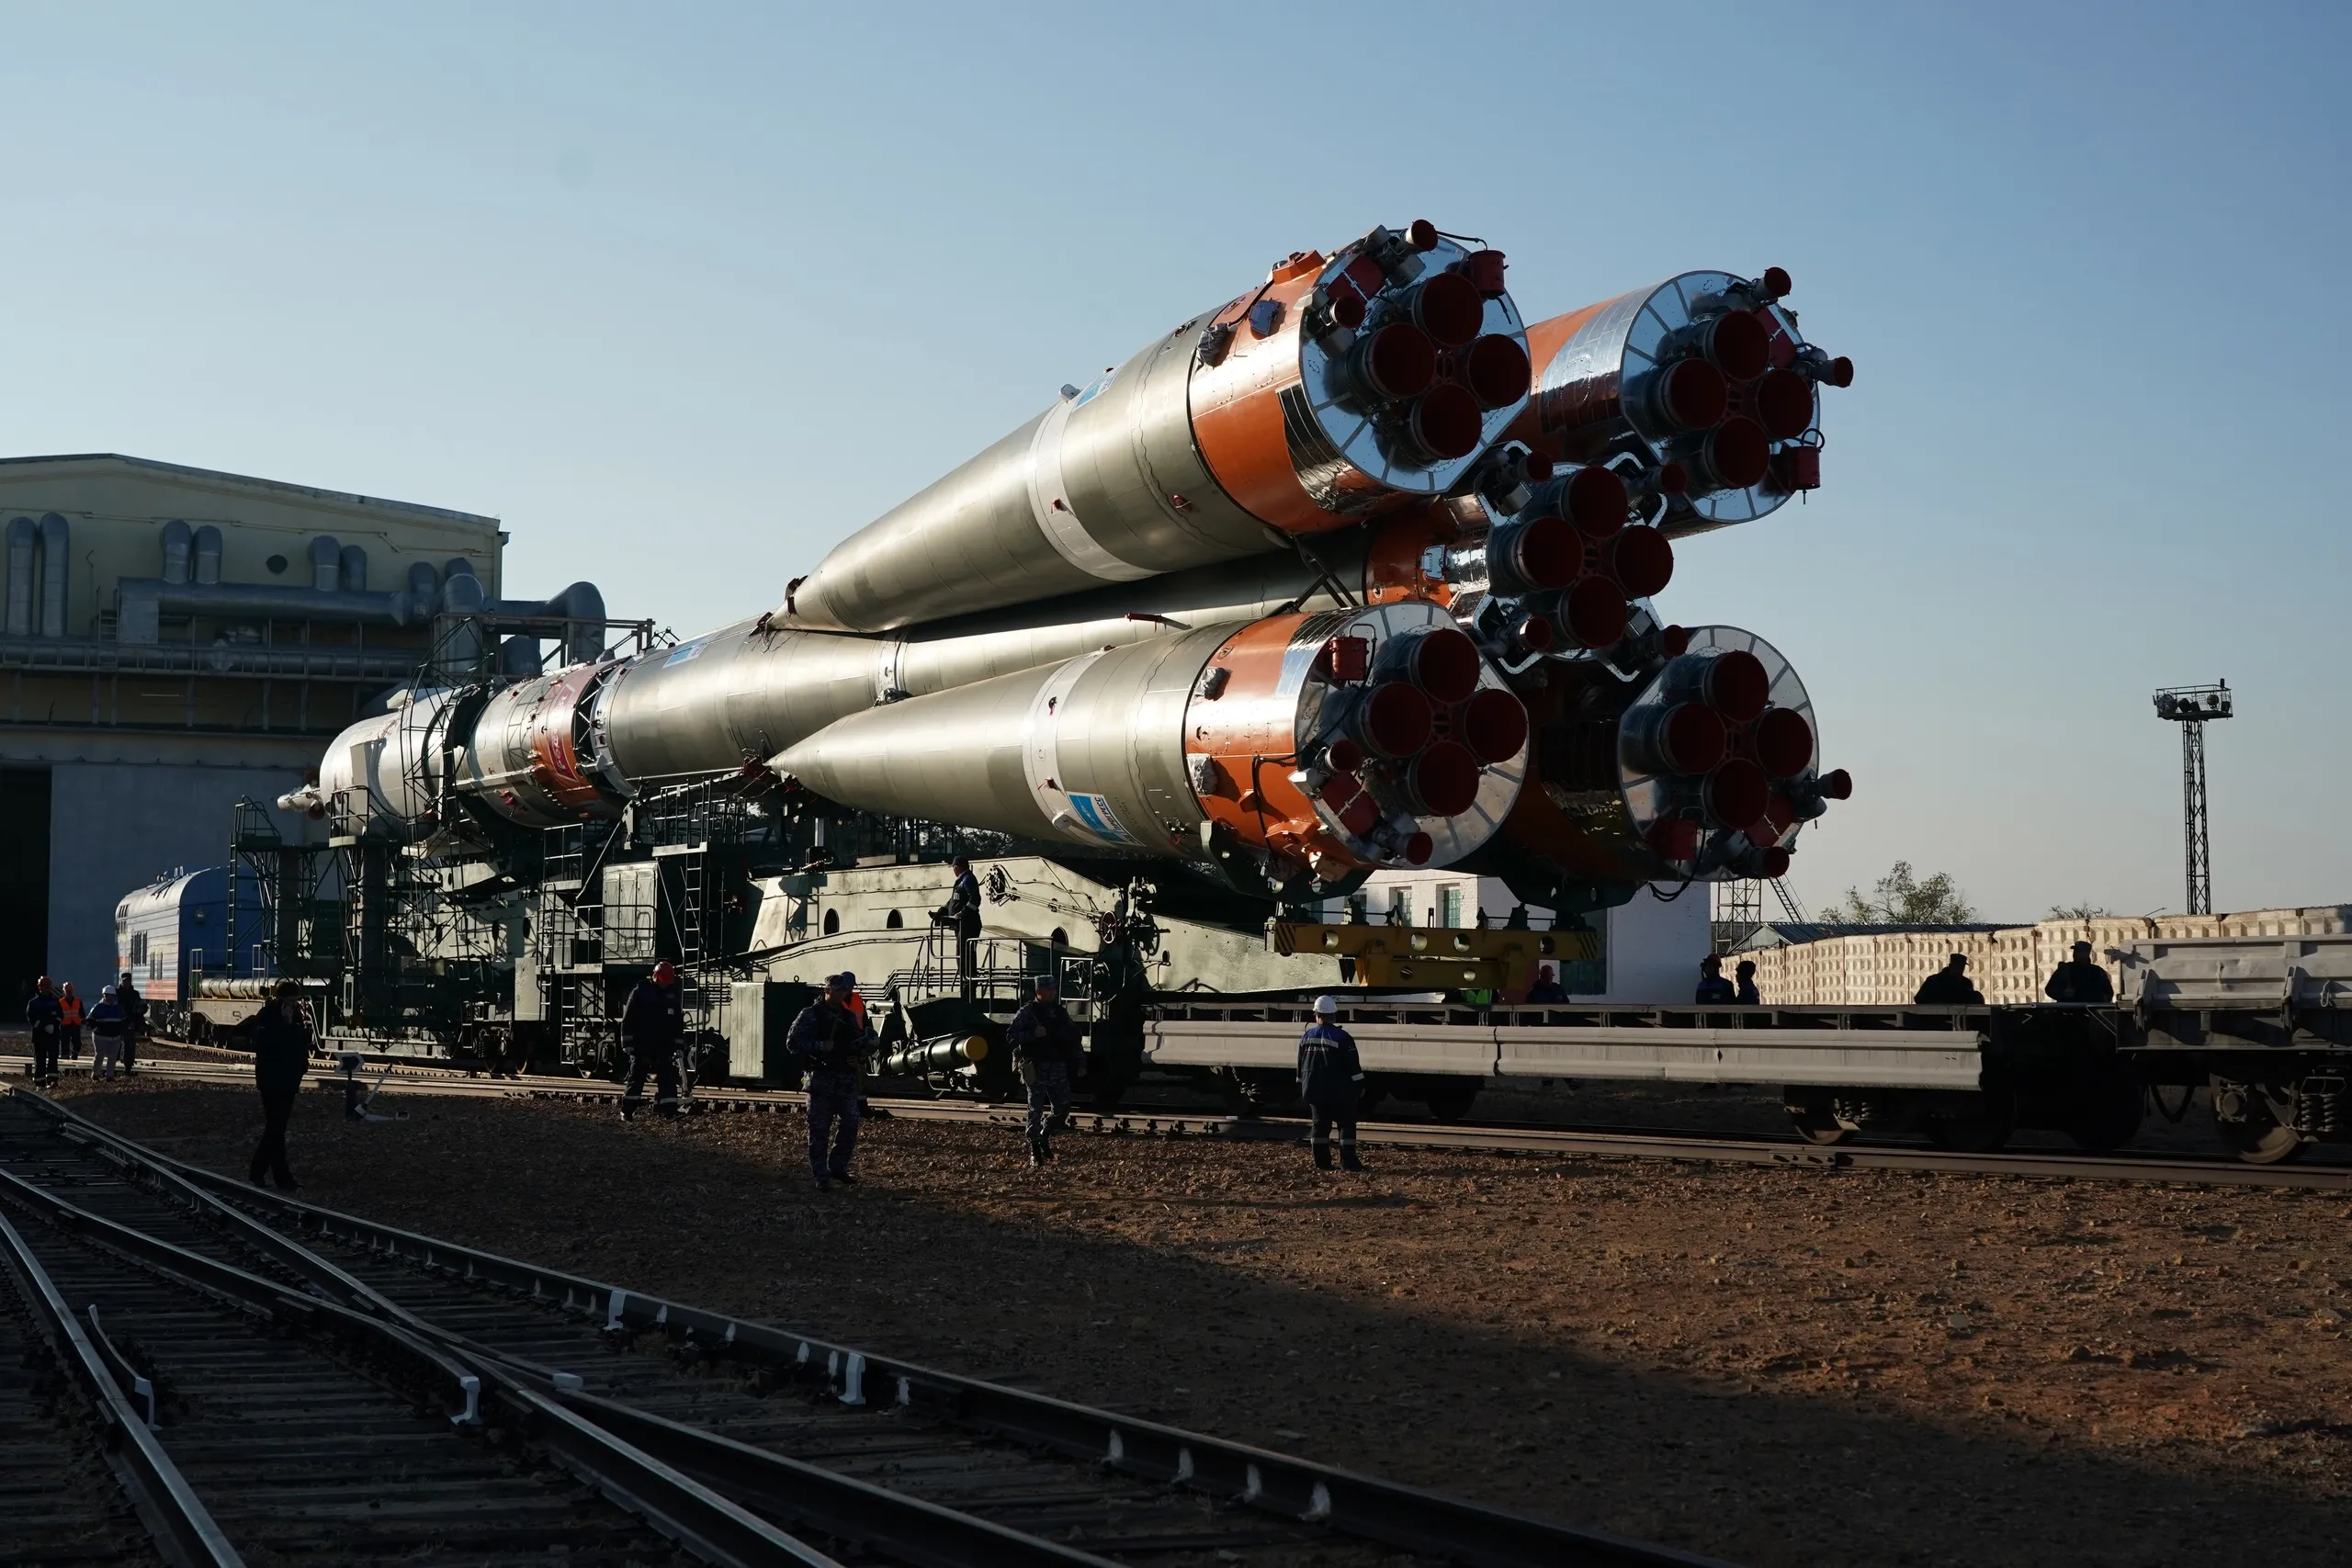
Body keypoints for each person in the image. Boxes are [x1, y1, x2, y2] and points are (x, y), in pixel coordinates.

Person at [789, 975, 868, 1190]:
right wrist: (820, 1046)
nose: (842, 994)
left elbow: (856, 1043)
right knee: (819, 1130)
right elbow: (792, 1043)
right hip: (820, 1080)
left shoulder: (847, 1016)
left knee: (850, 1122)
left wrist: (858, 1057)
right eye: (838, 990)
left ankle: (837, 1166)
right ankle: (821, 1175)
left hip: (844, 1079)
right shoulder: (811, 1014)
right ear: (827, 990)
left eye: (844, 990)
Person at [1007, 975, 1085, 1168]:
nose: (1052, 992)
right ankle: (1034, 1149)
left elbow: (1074, 1037)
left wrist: (1080, 1062)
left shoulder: (1059, 1012)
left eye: (1054, 989)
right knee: (1035, 1109)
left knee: (1063, 1107)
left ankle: (1044, 1134)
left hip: (1057, 1065)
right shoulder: (1027, 1012)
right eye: (1048, 989)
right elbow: (1011, 1037)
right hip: (1036, 1066)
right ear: (1039, 991)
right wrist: (1032, 1034)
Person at [248, 980, 314, 1189]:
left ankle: (273, 1176)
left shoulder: (296, 1017)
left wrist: (302, 1068)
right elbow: (265, 1042)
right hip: (271, 1080)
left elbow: (300, 1043)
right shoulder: (267, 1016)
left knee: (276, 1129)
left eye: (296, 1001)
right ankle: (270, 1175)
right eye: (291, 1000)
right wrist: (285, 1024)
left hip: (288, 1080)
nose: (294, 1004)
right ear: (282, 999)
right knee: (276, 1128)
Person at [1297, 995, 1366, 1171]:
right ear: (1333, 1015)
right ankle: (1348, 1163)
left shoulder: (1306, 1037)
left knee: (1320, 1126)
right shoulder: (1342, 1037)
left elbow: (1300, 1067)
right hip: (1339, 1092)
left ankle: (1322, 1164)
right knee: (1346, 1125)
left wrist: (1302, 1086)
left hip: (1314, 1091)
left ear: (1317, 1015)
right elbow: (1353, 1067)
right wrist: (1360, 1086)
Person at [618, 961, 685, 1120]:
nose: (665, 984)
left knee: (667, 1078)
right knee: (636, 1078)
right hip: (642, 1044)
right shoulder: (640, 992)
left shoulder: (672, 994)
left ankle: (670, 1112)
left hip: (663, 1045)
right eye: (663, 981)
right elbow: (628, 1019)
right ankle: (627, 1112)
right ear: (655, 976)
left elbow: (677, 1023)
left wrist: (679, 1045)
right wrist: (627, 1043)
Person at [933, 858, 984, 998]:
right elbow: (953, 901)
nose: (953, 870)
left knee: (966, 955)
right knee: (962, 955)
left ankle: (968, 986)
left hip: (969, 924)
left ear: (958, 867)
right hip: (961, 925)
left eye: (953, 867)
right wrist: (940, 912)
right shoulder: (961, 881)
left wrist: (962, 913)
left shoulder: (968, 879)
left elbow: (975, 900)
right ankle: (965, 984)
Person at [2044, 940, 2114, 1004]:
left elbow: (2108, 994)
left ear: (2087, 954)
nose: (2075, 954)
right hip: (2068, 1010)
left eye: (2079, 952)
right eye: (2075, 951)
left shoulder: (2097, 971)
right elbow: (2050, 989)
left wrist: (2094, 998)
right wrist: (2063, 994)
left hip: (2090, 1010)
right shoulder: (2065, 969)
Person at [25, 976, 62, 1086]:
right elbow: (31, 1017)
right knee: (40, 1058)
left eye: (46, 987)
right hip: (39, 1035)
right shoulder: (33, 1003)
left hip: (53, 1034)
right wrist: (43, 1026)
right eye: (42, 987)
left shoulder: (56, 1001)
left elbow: (60, 1015)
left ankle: (52, 1079)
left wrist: (54, 1025)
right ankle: (39, 1082)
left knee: (53, 1057)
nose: (44, 989)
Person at [86, 988, 128, 1080]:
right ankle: (95, 1074)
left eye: (111, 996)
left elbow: (124, 1020)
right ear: (104, 996)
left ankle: (110, 1075)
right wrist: (94, 1025)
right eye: (107, 996)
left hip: (115, 1036)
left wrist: (124, 1027)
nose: (109, 998)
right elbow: (90, 1020)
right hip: (100, 1036)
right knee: (99, 1055)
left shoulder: (119, 1008)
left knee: (112, 1057)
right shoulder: (98, 1007)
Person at [1914, 953, 1985, 1005]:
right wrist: (1937, 1005)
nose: (1960, 969)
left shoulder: (1966, 982)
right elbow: (1919, 998)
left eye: (1962, 966)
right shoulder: (1934, 980)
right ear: (1951, 966)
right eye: (1957, 966)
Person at [114, 974, 146, 1076]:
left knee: (130, 1046)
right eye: (124, 981)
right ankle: (112, 1066)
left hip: (130, 1023)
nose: (126, 983)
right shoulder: (116, 993)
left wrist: (138, 1014)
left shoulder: (135, 994)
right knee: (114, 1045)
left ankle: (128, 1067)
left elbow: (142, 1006)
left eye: (128, 981)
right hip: (117, 1023)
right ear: (121, 981)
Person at [57, 982, 82, 1061]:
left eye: (70, 991)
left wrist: (84, 1021)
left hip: (75, 1024)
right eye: (67, 991)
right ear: (64, 991)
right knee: (64, 1042)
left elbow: (81, 1012)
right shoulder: (60, 1002)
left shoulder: (78, 1001)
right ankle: (64, 1056)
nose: (68, 993)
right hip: (65, 1025)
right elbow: (58, 1013)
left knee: (77, 1042)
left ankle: (75, 1054)